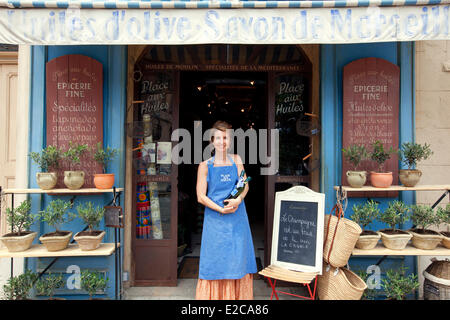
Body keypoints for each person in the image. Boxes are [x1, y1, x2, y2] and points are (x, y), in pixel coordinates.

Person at [195, 120, 257, 300]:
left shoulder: (237, 160)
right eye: (219, 138)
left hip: (237, 220)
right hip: (215, 222)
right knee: (216, 261)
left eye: (226, 138)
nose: (223, 142)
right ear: (212, 140)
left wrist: (238, 198)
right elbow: (200, 196)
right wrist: (220, 209)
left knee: (238, 259)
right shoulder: (205, 165)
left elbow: (244, 185)